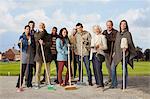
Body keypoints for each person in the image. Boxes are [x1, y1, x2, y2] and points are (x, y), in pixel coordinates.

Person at [110, 20, 136, 89]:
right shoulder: (118, 33)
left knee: (124, 69)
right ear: (120, 25)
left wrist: (126, 48)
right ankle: (114, 84)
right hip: (117, 53)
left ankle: (124, 84)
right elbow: (116, 44)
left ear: (126, 25)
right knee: (112, 67)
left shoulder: (128, 33)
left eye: (125, 24)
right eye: (122, 24)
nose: (123, 25)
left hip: (125, 53)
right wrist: (114, 52)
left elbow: (130, 43)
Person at [16, 25, 35, 89]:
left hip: (31, 54)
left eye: (29, 29)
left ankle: (29, 84)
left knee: (30, 70)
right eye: (27, 29)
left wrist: (31, 42)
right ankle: (19, 84)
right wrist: (19, 43)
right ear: (24, 29)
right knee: (23, 69)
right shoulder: (22, 37)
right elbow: (19, 45)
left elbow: (34, 45)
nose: (28, 30)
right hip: (24, 54)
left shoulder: (32, 37)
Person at [34, 23, 51, 89]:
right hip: (39, 54)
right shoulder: (36, 34)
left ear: (44, 27)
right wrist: (42, 33)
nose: (41, 27)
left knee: (47, 70)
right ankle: (37, 83)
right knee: (38, 70)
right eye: (40, 26)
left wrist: (43, 43)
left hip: (47, 54)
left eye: (42, 26)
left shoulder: (48, 35)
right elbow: (37, 39)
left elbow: (50, 44)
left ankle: (48, 82)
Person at [102, 20, 118, 85]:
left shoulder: (116, 32)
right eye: (107, 25)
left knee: (113, 67)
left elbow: (117, 43)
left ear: (112, 25)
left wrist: (115, 51)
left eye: (110, 25)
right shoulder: (104, 32)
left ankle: (114, 81)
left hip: (113, 52)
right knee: (108, 66)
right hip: (106, 52)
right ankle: (110, 79)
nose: (109, 26)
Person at [25, 20, 36, 86]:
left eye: (32, 25)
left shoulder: (35, 33)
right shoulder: (25, 33)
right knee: (27, 68)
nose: (31, 26)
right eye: (30, 25)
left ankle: (31, 81)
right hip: (27, 52)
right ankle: (26, 80)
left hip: (34, 52)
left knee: (32, 68)